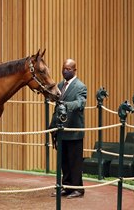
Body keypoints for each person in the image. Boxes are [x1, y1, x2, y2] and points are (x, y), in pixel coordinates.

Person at [50, 58, 87, 199]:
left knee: (74, 161)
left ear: (74, 70)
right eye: (63, 68)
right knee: (63, 161)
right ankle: (66, 186)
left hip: (74, 130)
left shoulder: (80, 86)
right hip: (61, 131)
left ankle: (78, 189)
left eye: (68, 69)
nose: (65, 71)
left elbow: (80, 103)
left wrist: (66, 105)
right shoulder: (60, 85)